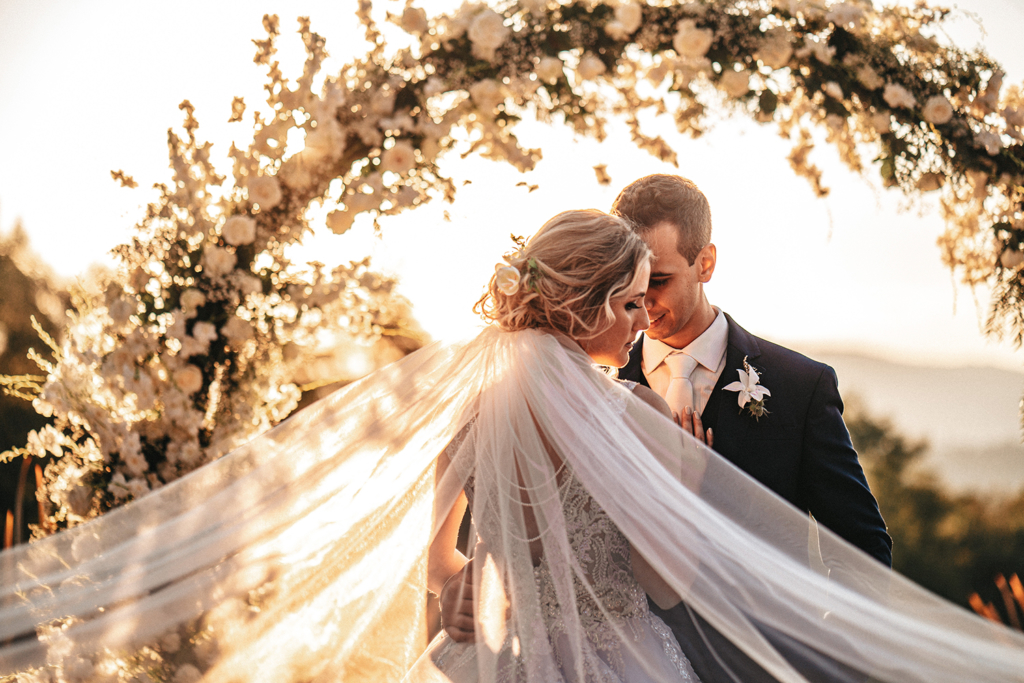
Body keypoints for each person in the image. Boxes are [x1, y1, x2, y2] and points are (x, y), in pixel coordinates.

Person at [0, 210, 1022, 683]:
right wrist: (676, 463)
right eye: (626, 301)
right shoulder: (623, 416)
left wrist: (453, 582)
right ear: (587, 306)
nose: (637, 322)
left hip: (503, 659)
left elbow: (442, 546)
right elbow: (667, 588)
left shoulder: (482, 391)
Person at [611, 174, 892, 682]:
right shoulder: (596, 391)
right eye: (626, 282)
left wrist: (823, 657)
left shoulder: (798, 386)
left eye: (658, 280)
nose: (642, 301)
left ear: (706, 263)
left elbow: (859, 546)